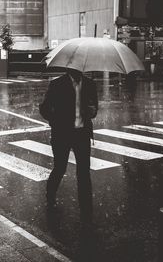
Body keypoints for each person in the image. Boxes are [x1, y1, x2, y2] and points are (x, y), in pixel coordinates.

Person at [39, 68, 98, 223]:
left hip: (82, 134)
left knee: (84, 172)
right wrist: (56, 121)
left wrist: (92, 111)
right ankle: (50, 196)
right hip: (62, 134)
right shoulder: (57, 84)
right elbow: (44, 109)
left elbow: (94, 108)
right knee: (60, 168)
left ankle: (86, 208)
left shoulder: (90, 84)